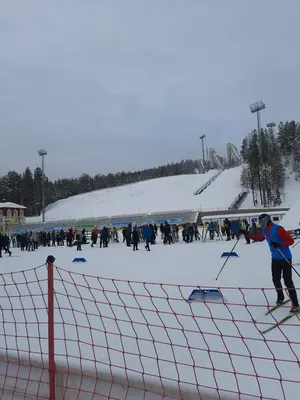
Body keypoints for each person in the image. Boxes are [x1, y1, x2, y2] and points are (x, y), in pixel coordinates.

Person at [249, 213, 299, 313]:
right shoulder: (264, 230)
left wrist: (280, 244)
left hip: (285, 257)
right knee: (275, 279)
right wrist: (247, 234)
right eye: (259, 221)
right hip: (275, 258)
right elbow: (260, 238)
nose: (260, 223)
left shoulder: (278, 229)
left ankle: (295, 304)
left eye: (261, 221)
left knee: (287, 280)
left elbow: (290, 240)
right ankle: (280, 296)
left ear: (267, 220)